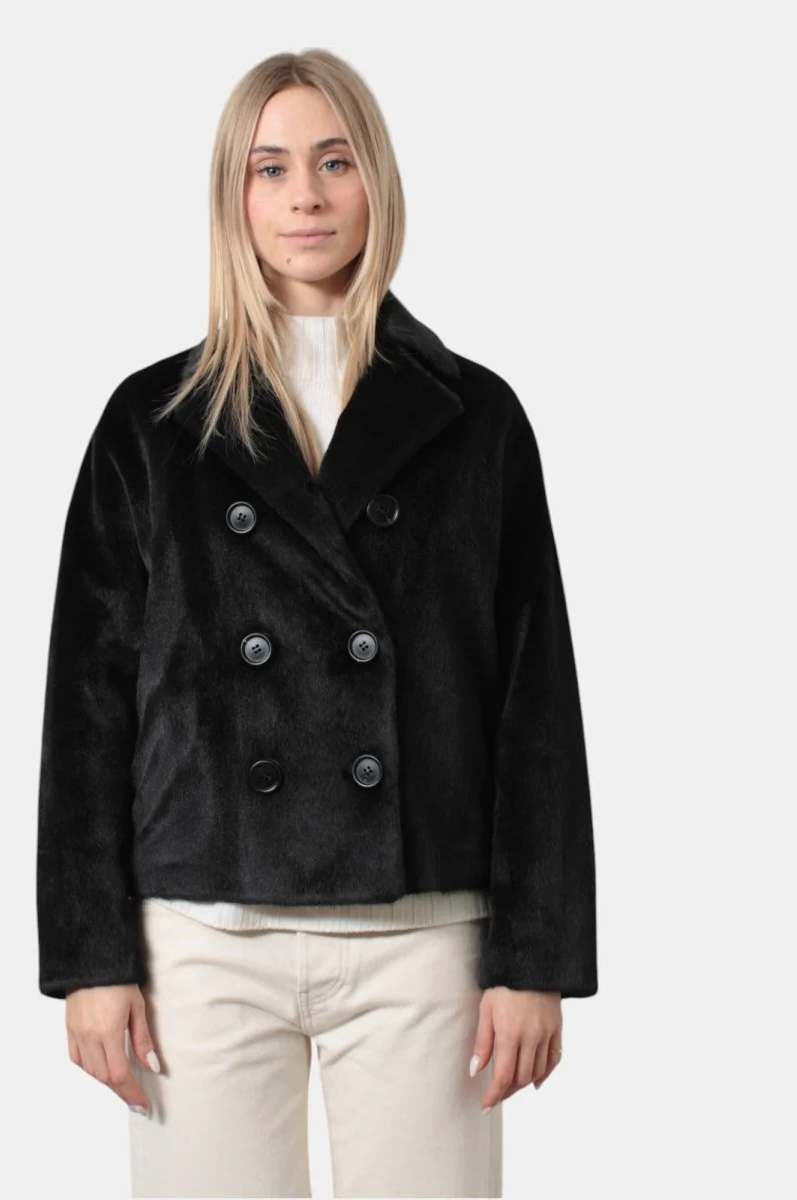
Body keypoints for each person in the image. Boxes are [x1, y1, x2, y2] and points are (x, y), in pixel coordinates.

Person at [36, 47, 598, 1199]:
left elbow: (534, 700)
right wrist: (90, 957)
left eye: (335, 162)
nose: (305, 196)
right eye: (271, 167)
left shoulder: (477, 417)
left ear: (376, 180)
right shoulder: (153, 421)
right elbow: (86, 704)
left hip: (424, 930)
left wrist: (534, 958)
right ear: (233, 196)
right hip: (201, 930)